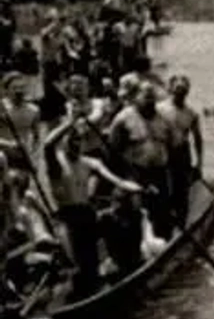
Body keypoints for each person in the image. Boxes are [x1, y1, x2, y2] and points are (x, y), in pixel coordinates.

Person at [45, 104, 146, 292]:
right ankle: (82, 281)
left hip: (86, 214)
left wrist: (133, 187)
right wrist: (70, 122)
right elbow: (48, 144)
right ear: (64, 141)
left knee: (113, 218)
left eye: (78, 141)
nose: (75, 144)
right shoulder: (57, 162)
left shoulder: (90, 162)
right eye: (71, 140)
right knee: (82, 266)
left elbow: (115, 179)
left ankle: (124, 260)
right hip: (68, 217)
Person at [108, 82, 171, 238]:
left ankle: (164, 241)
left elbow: (171, 144)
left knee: (162, 211)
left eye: (152, 97)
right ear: (136, 97)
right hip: (135, 172)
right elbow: (113, 149)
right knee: (139, 213)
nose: (149, 100)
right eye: (145, 96)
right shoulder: (123, 118)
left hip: (160, 172)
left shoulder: (163, 117)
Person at [157, 74, 203, 232]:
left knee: (182, 191)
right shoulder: (160, 109)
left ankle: (182, 226)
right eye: (177, 89)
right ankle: (164, 225)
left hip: (182, 153)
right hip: (164, 151)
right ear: (171, 90)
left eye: (183, 90)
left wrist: (199, 163)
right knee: (164, 189)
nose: (180, 93)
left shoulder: (191, 113)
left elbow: (198, 139)